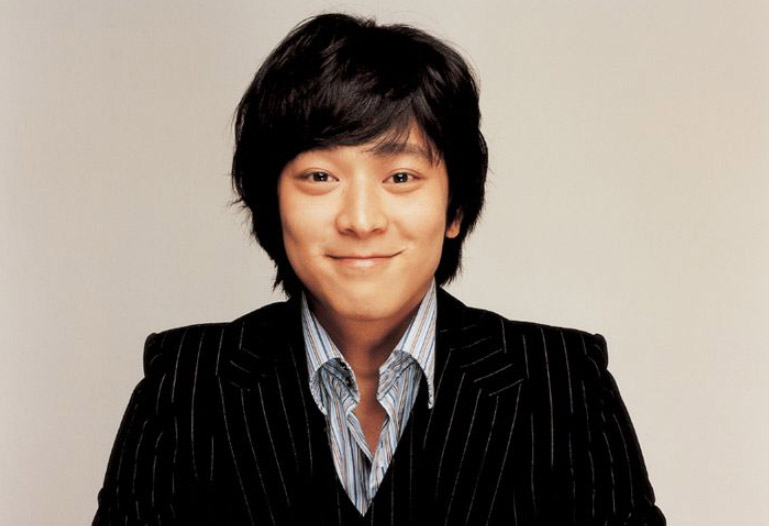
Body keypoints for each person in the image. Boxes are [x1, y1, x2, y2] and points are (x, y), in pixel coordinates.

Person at [93, 13, 665, 526]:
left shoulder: (564, 384)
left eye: (401, 177)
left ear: (455, 208)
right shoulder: (185, 385)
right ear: (273, 204)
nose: (361, 220)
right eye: (320, 177)